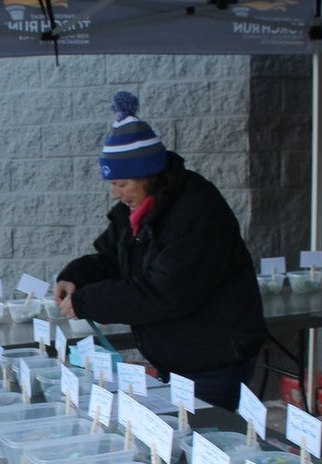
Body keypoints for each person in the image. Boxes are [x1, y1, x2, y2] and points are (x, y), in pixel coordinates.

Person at [54, 91, 266, 411]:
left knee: (201, 437)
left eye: (122, 184)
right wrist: (75, 277)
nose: (115, 194)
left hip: (212, 357)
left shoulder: (198, 210)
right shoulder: (136, 210)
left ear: (148, 176)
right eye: (112, 184)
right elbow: (112, 259)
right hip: (174, 353)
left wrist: (87, 302)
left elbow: (166, 292)